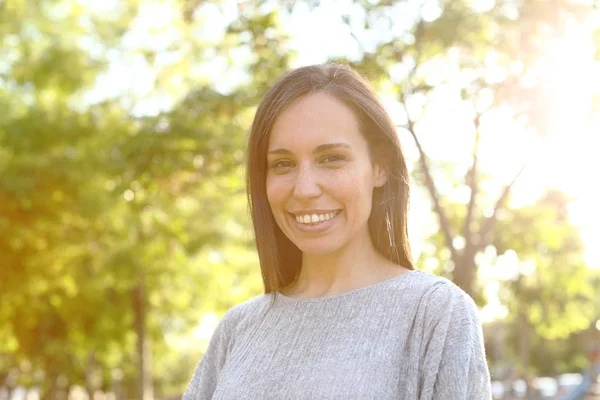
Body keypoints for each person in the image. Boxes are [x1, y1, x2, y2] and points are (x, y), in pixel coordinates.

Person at [184, 63, 492, 399]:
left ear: (380, 167)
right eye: (282, 164)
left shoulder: (435, 313)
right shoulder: (238, 329)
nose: (304, 189)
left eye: (331, 158)